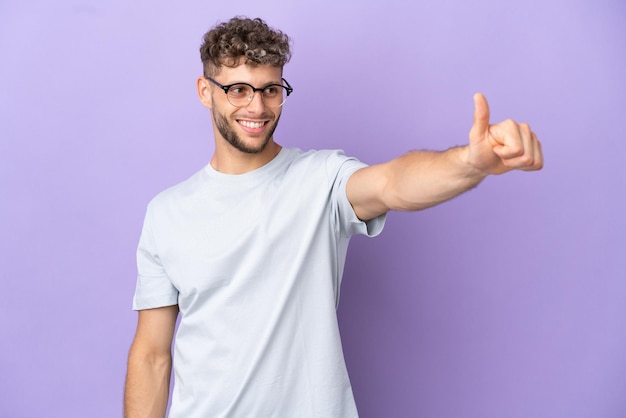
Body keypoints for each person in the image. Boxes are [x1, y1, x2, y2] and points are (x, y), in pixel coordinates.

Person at [123, 16, 543, 418]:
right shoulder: (166, 213)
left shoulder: (320, 178)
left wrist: (469, 163)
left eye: (271, 89)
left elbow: (392, 184)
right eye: (238, 89)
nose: (257, 106)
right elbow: (151, 356)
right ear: (205, 90)